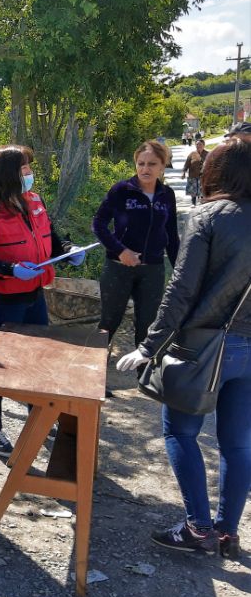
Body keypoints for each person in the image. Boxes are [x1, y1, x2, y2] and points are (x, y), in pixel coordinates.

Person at [117, 139, 251, 559]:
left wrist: (149, 345)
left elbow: (181, 287)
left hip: (201, 344)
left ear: (216, 172)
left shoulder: (210, 215)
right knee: (239, 444)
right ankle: (226, 532)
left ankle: (197, 527)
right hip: (250, 351)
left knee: (180, 430)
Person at [0, 146, 86, 458]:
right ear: (9, 173)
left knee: (39, 361)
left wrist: (69, 249)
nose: (29, 174)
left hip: (35, 295)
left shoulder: (34, 201)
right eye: (24, 169)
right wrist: (9, 270)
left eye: (29, 168)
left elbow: (52, 236)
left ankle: (40, 418)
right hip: (4, 300)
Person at [92, 140, 178, 353]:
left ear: (162, 166)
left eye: (152, 164)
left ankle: (144, 379)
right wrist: (121, 251)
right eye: (141, 163)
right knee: (108, 323)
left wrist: (179, 270)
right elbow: (98, 223)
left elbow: (172, 236)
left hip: (153, 269)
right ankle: (93, 377)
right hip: (118, 267)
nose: (145, 169)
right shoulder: (122, 190)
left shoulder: (167, 195)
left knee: (148, 327)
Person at [182, 138, 208, 206]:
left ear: (204, 145)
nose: (198, 146)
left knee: (202, 189)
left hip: (204, 176)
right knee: (193, 190)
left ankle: (202, 202)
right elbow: (187, 164)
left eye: (200, 144)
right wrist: (183, 172)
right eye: (197, 144)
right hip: (192, 174)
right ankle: (193, 203)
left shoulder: (208, 154)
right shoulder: (192, 154)